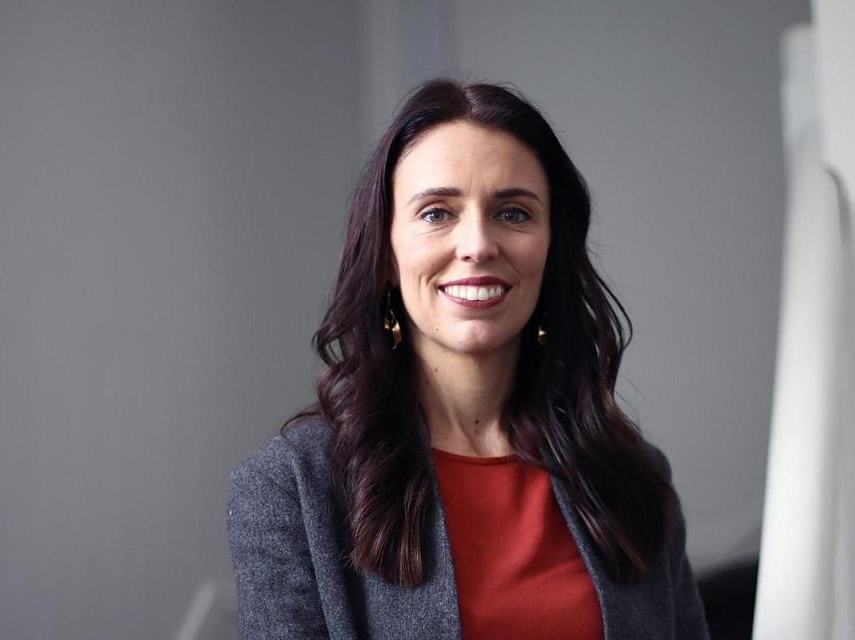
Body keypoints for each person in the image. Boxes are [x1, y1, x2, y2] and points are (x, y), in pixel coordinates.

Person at [227, 78, 709, 640]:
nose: (478, 244)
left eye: (513, 213)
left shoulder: (635, 477)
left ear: (552, 249)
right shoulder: (289, 488)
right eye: (436, 213)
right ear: (385, 254)